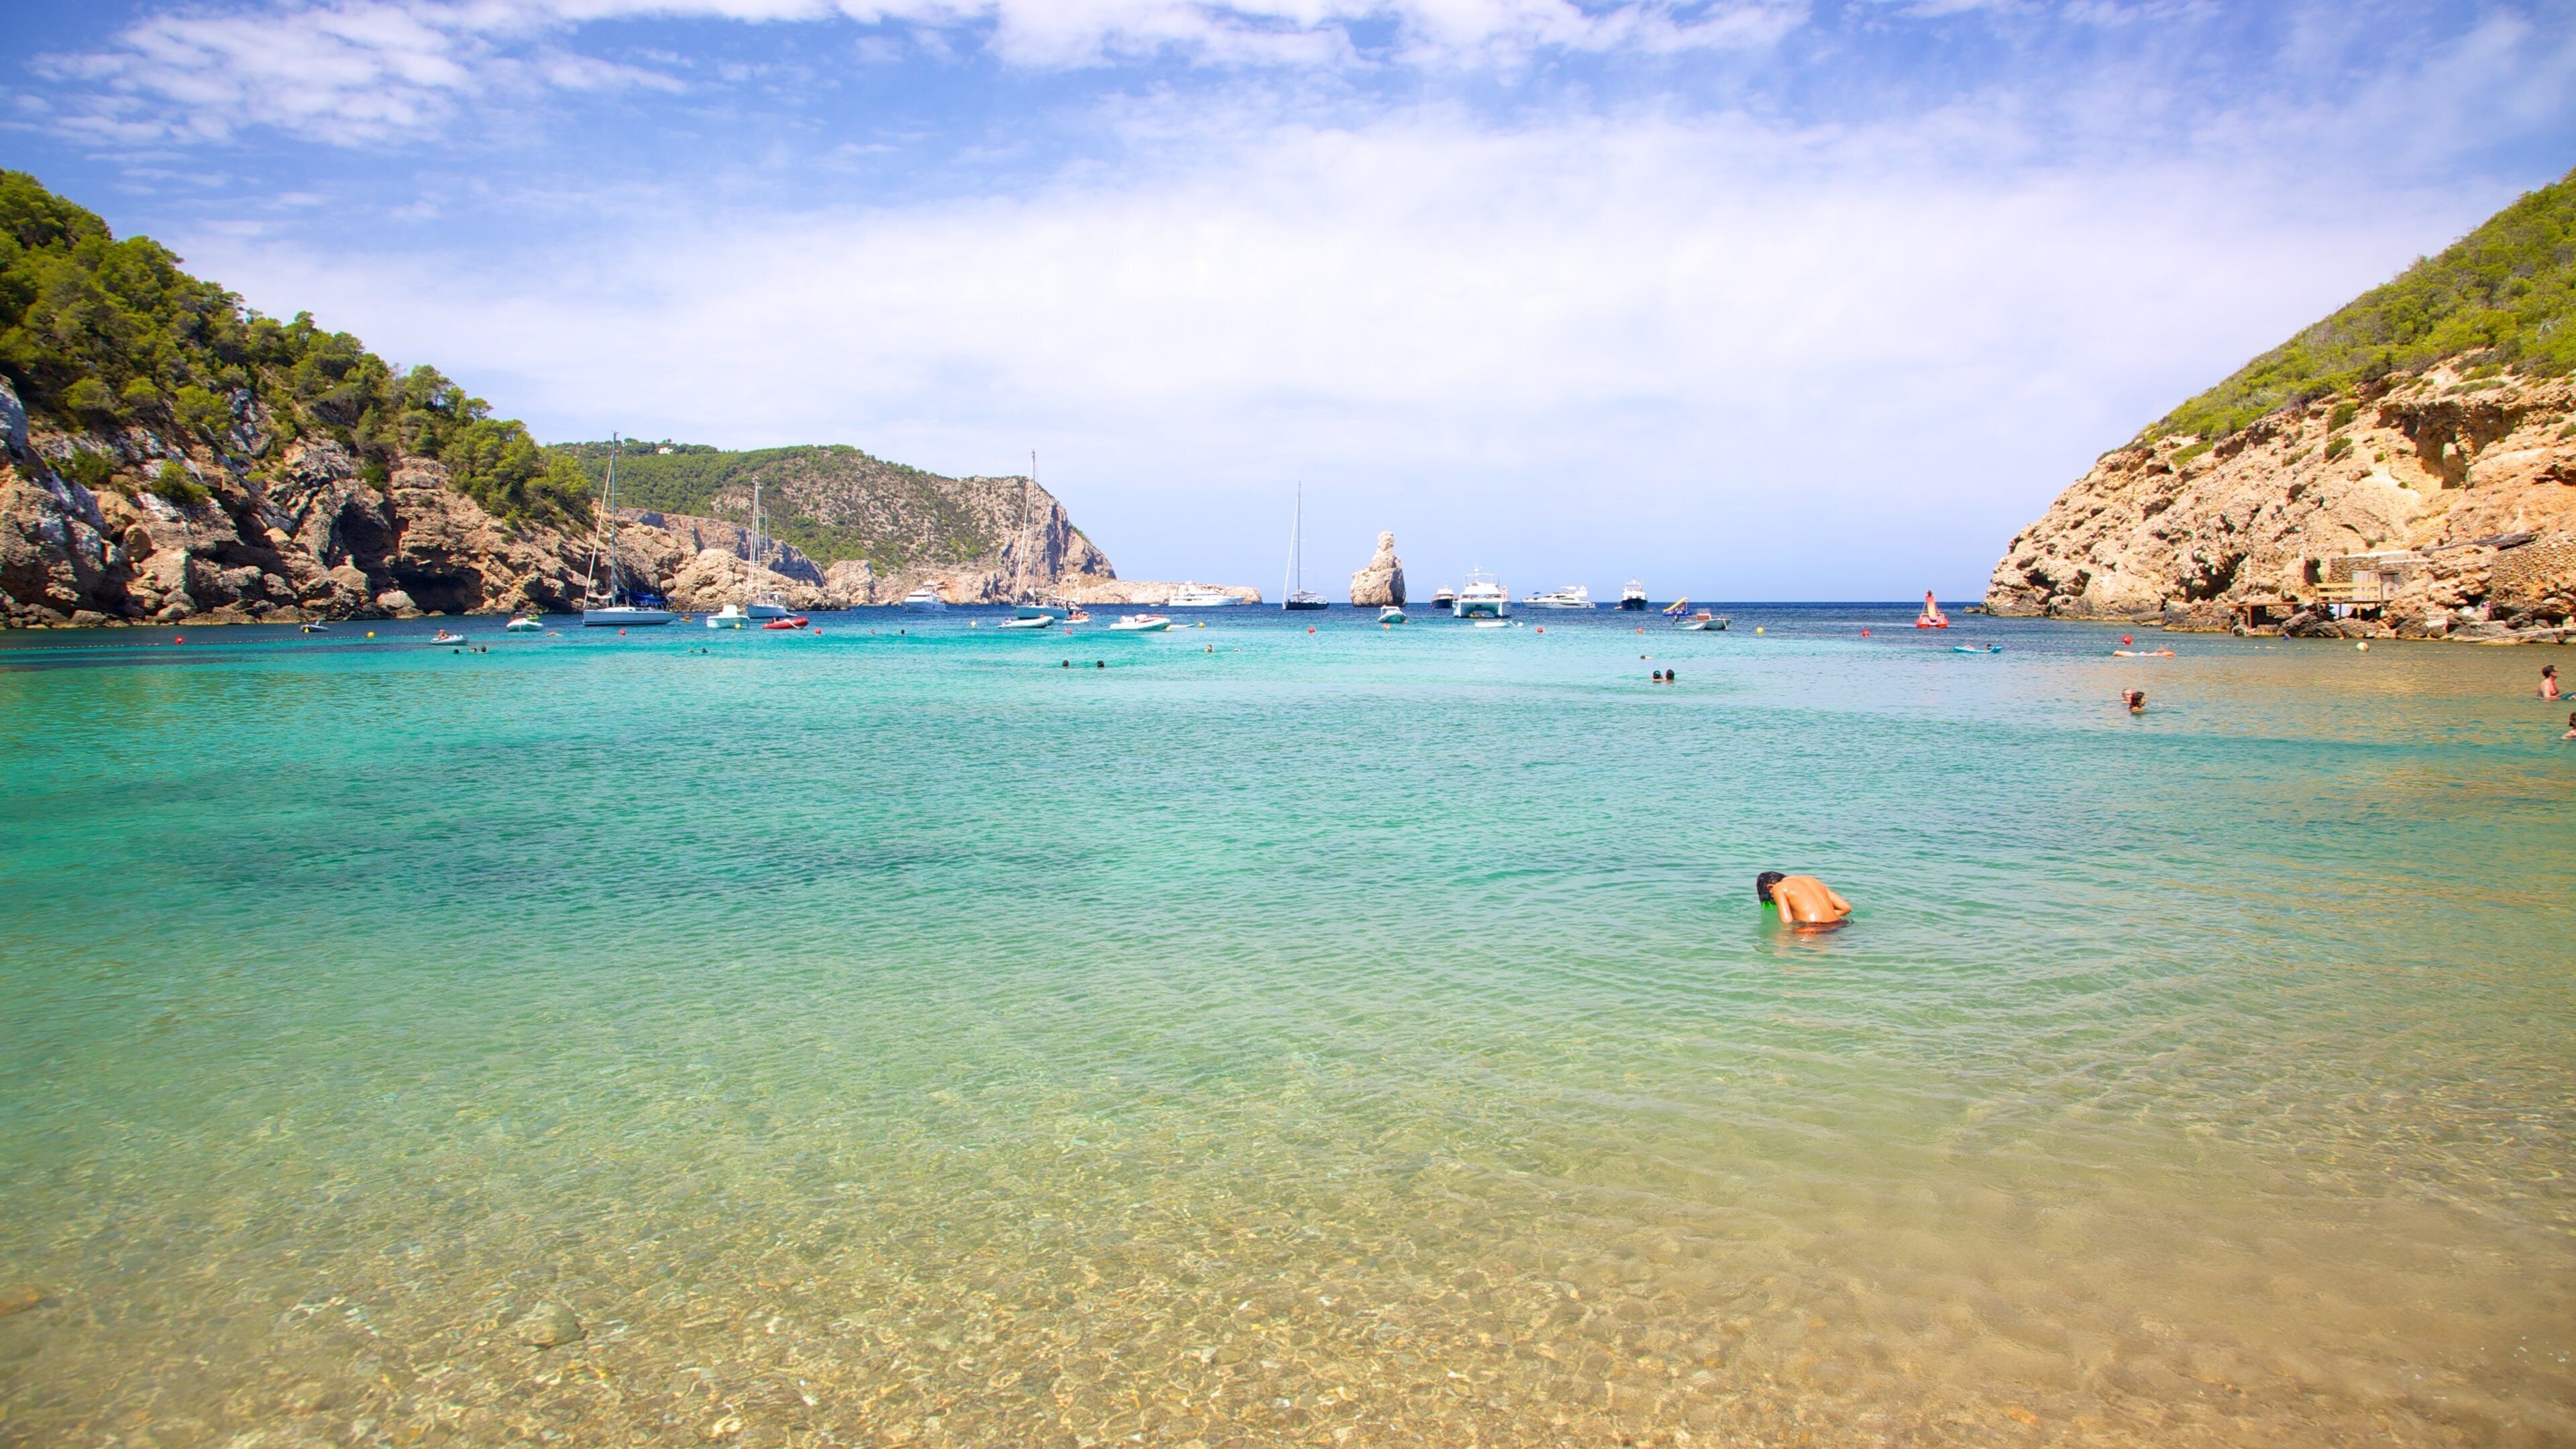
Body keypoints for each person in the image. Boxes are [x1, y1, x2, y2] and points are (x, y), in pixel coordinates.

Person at [1758, 871, 1852, 928]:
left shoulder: (1778, 887)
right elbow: (1846, 908)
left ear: (1770, 887)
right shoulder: (1811, 879)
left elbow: (1787, 921)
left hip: (1811, 930)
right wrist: (1825, 918)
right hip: (1839, 925)